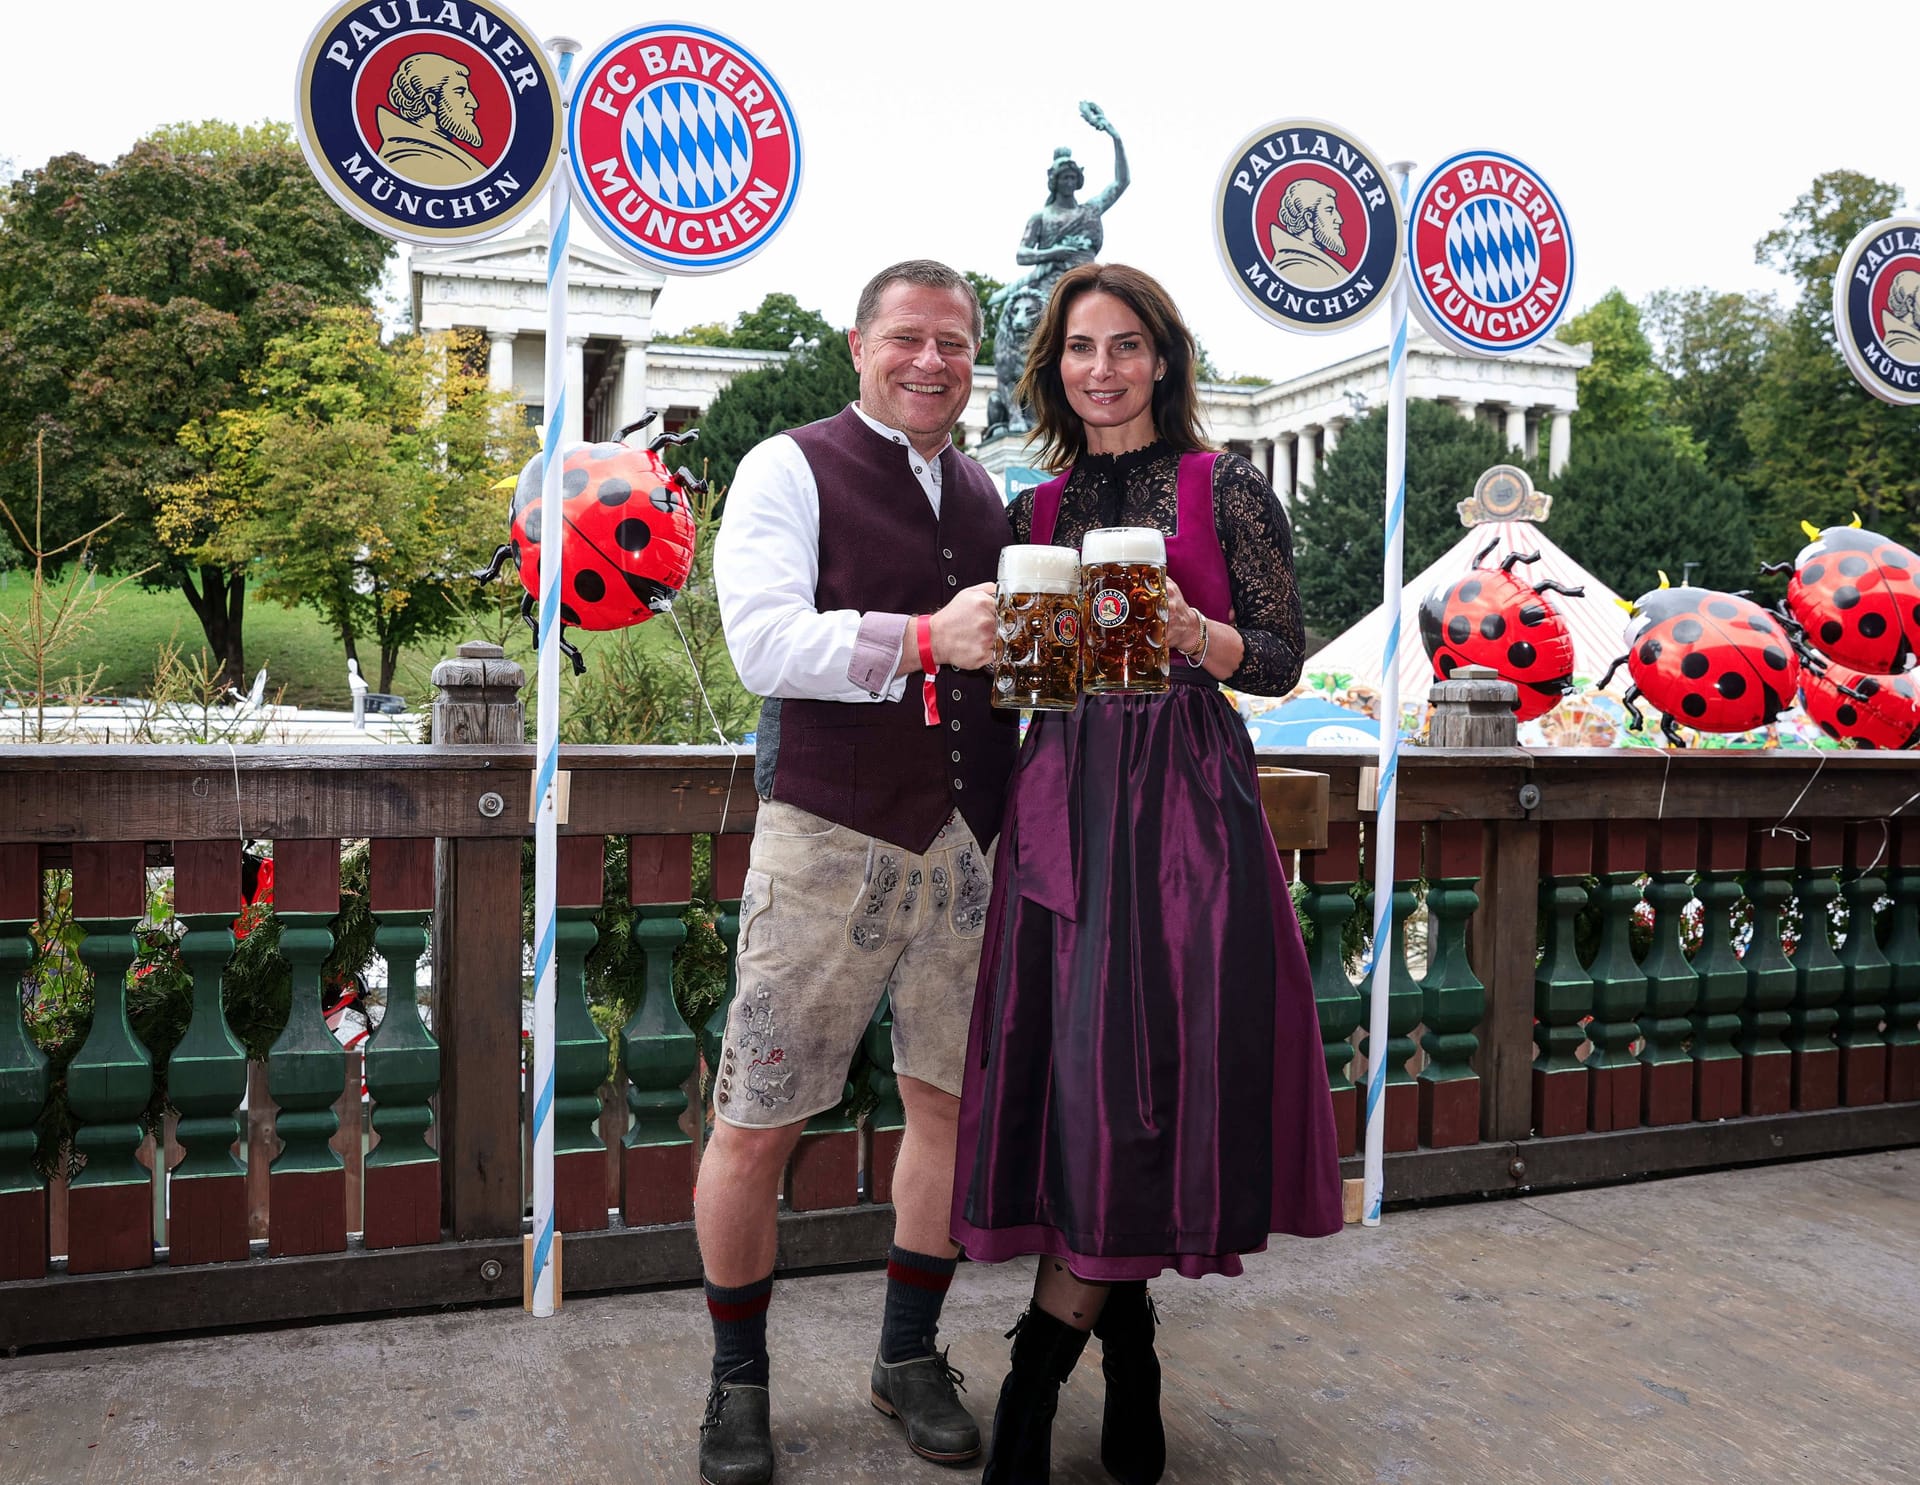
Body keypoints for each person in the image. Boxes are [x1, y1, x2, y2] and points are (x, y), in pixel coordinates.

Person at [950, 262, 1344, 1485]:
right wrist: (1023, 655)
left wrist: (1194, 633)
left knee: (1142, 1084)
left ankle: (1029, 1396)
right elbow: (1033, 685)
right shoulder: (1038, 503)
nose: (1102, 368)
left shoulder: (1223, 485)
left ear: (1162, 360)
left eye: (1126, 346)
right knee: (1075, 1087)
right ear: (1055, 364)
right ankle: (1132, 1356)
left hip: (1182, 808)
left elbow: (1279, 659)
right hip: (1066, 790)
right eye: (1080, 348)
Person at [702, 259, 1018, 1485]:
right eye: (907, 338)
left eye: (953, 342)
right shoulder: (787, 466)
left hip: (968, 845)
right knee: (757, 1119)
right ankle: (737, 1384)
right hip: (829, 837)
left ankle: (905, 1356)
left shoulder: (990, 491)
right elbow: (760, 643)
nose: (932, 361)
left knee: (943, 1103)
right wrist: (930, 639)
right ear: (858, 343)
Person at [1268, 178, 1350, 289]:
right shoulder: (1294, 266)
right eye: (1329, 211)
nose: (1339, 219)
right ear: (1309, 219)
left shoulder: (1315, 262)